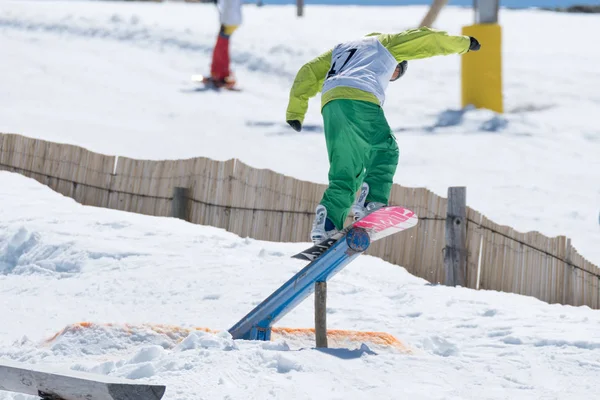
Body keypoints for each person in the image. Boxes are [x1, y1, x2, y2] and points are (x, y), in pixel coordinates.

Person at [285, 27, 481, 243]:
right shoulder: (386, 43)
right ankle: (372, 201)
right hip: (359, 96)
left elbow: (308, 72)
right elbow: (426, 39)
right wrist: (464, 43)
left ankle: (327, 224)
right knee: (385, 150)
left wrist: (295, 110)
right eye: (396, 71)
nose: (392, 76)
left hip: (331, 104)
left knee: (345, 170)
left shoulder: (341, 50)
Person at [209, 0, 243, 87]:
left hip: (228, 21)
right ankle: (217, 72)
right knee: (220, 46)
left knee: (221, 47)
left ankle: (221, 74)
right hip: (232, 20)